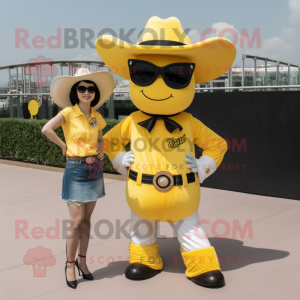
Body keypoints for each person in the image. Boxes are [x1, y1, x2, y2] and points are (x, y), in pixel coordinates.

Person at [95, 16, 236, 288]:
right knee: (141, 230)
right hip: (141, 194)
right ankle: (145, 260)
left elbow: (218, 144)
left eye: (177, 74)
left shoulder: (188, 122)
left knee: (191, 230)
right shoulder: (131, 121)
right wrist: (121, 160)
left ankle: (200, 264)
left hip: (183, 197)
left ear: (191, 77)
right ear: (132, 73)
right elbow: (108, 142)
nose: (158, 84)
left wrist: (203, 165)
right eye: (144, 72)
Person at [42, 67, 114, 289]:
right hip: (75, 168)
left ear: (95, 93)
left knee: (86, 221)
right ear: (76, 91)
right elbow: (46, 129)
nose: (87, 92)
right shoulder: (68, 113)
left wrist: (100, 151)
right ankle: (70, 264)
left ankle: (83, 261)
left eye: (90, 89)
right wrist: (64, 146)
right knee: (75, 223)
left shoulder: (96, 116)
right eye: (82, 88)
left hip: (94, 170)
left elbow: (101, 137)